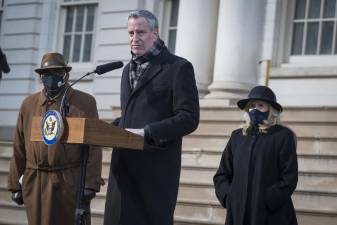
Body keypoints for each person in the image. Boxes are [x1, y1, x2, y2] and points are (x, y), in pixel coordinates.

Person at [104, 9, 200, 225]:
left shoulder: (178, 68)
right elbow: (130, 115)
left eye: (140, 32)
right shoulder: (127, 69)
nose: (134, 38)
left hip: (154, 171)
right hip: (123, 169)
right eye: (130, 33)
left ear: (155, 34)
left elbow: (189, 117)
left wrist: (148, 132)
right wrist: (108, 131)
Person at [7, 52, 103, 225]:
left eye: (56, 72)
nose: (50, 77)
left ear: (65, 74)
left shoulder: (84, 103)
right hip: (35, 181)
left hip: (69, 182)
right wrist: (15, 183)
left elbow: (94, 147)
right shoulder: (29, 105)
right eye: (46, 74)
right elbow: (19, 146)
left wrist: (90, 183)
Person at [213, 85, 298, 225]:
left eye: (261, 105)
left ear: (271, 109)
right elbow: (222, 174)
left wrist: (267, 199)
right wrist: (229, 197)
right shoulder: (237, 137)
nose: (255, 109)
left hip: (271, 215)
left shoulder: (283, 136)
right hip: (238, 212)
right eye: (252, 105)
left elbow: (289, 178)